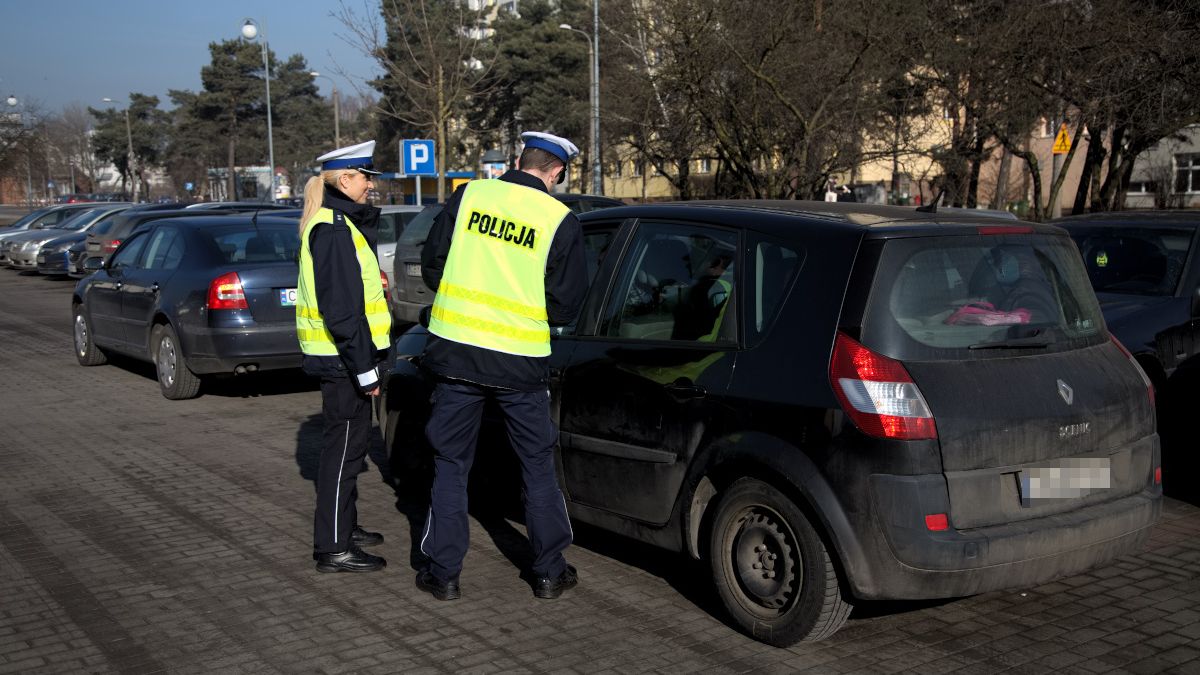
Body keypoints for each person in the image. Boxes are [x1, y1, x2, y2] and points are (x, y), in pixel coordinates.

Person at [416, 131, 589, 601]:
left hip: (456, 354)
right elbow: (566, 305)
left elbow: (432, 266)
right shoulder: (559, 219)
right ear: (557, 172)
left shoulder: (470, 196)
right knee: (536, 467)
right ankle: (549, 572)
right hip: (520, 363)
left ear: (517, 159)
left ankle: (444, 574)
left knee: (451, 464)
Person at [294, 140, 393, 573]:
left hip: (341, 357)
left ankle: (344, 527)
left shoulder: (336, 223)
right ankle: (334, 547)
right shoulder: (334, 229)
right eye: (366, 177)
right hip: (343, 360)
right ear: (346, 179)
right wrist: (365, 368)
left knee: (350, 449)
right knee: (343, 454)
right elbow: (342, 311)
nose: (371, 185)